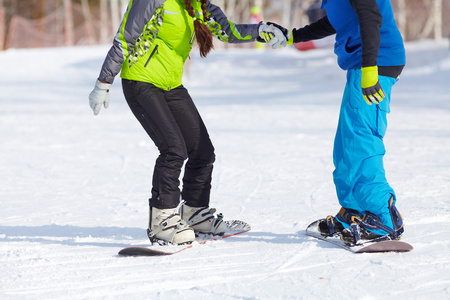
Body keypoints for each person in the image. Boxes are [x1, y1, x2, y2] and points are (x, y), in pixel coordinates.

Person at [88, 0, 285, 245]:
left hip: (171, 85)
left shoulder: (199, 5)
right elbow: (125, 38)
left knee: (202, 151)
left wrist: (260, 31)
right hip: (141, 81)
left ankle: (195, 214)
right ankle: (162, 220)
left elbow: (227, 30)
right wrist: (103, 82)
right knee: (173, 150)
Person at [267, 0, 405, 245]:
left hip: (375, 63)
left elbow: (370, 16)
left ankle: (382, 217)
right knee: (346, 145)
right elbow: (336, 19)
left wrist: (370, 68)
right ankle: (353, 211)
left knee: (362, 141)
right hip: (362, 64)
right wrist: (293, 36)